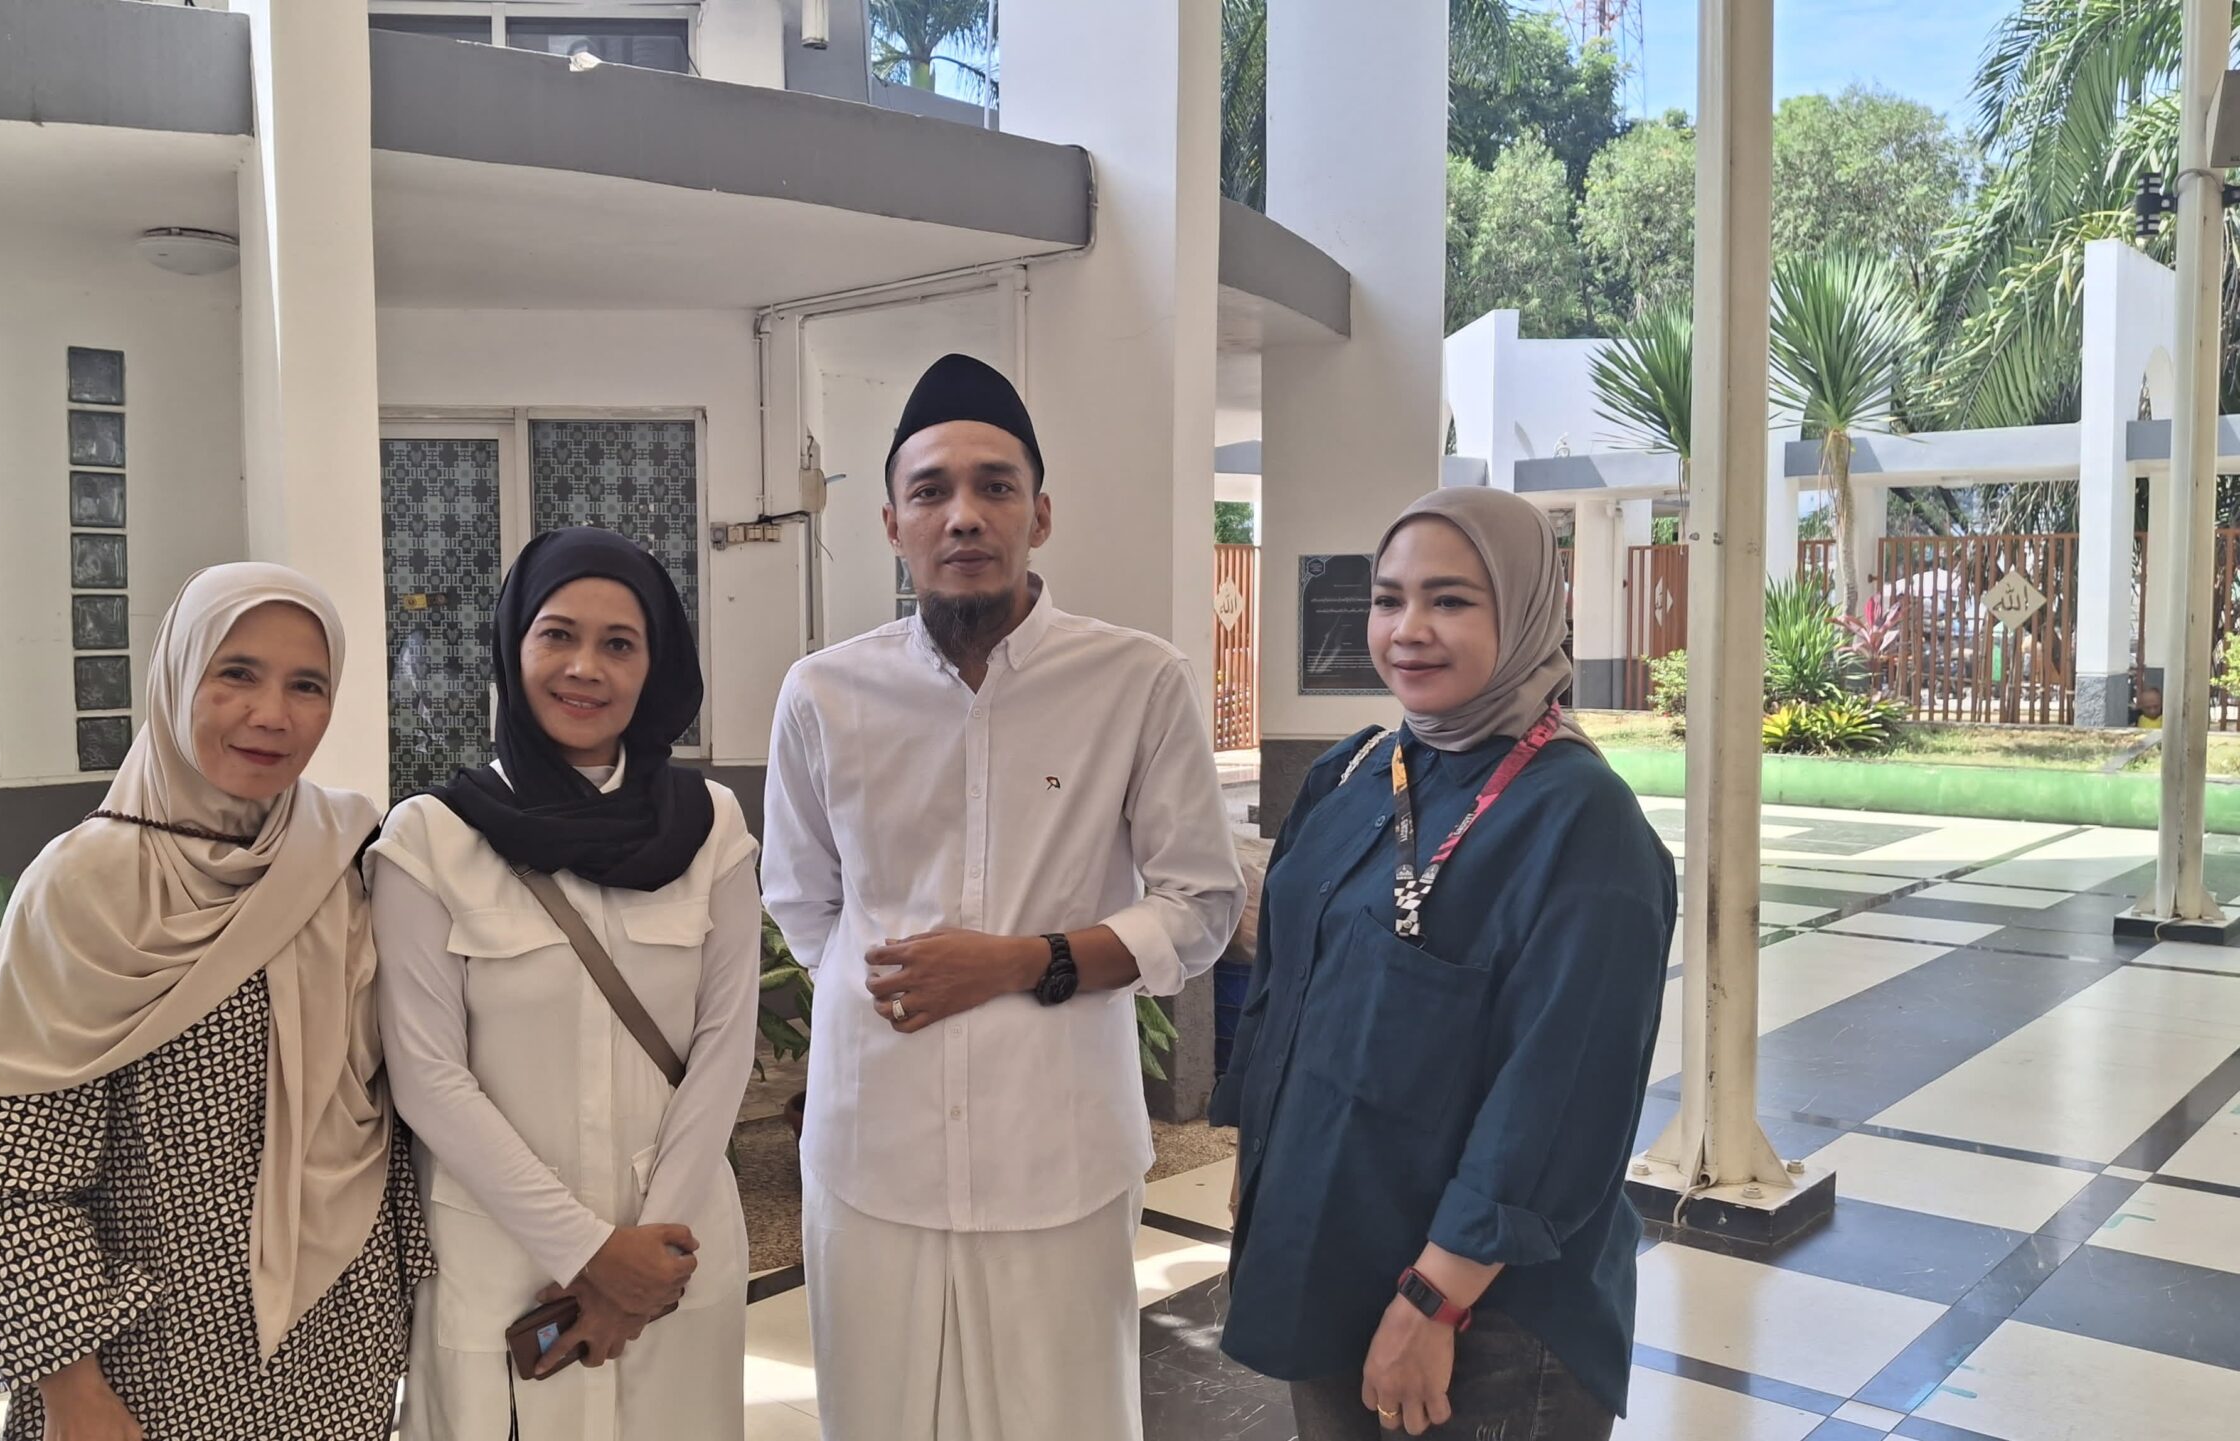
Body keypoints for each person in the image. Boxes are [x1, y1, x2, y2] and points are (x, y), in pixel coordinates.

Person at [763, 353, 1246, 1440]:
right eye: (931, 490)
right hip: (871, 1145)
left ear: (1041, 513)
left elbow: (1199, 905)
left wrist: (1024, 963)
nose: (964, 515)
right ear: (892, 523)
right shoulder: (823, 694)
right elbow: (801, 900)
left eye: (995, 486)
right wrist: (888, 1002)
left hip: (1058, 1147)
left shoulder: (1137, 682)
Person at [1211, 486, 1675, 1440]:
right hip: (1330, 1265)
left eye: (1451, 600)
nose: (1409, 629)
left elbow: (1560, 1093)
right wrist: (1263, 1169)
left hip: (1483, 1321)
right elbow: (1286, 997)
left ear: (1528, 611)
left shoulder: (1580, 823)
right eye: (1389, 599)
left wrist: (1436, 1296)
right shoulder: (1356, 772)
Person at [0, 563, 423, 1441]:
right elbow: (11, 1184)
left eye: (307, 685)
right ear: (176, 678)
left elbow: (391, 1116)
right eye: (236, 673)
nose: (272, 714)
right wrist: (76, 1397)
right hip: (149, 1367)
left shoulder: (349, 856)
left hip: (342, 1346)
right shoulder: (85, 885)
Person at [370, 527, 761, 1439]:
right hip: (502, 1256)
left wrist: (642, 1264)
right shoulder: (430, 839)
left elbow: (723, 1046)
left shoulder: (712, 826)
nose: (585, 667)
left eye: (619, 643)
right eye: (557, 634)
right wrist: (588, 1250)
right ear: (514, 647)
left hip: (677, 1252)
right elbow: (428, 1078)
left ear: (654, 667)